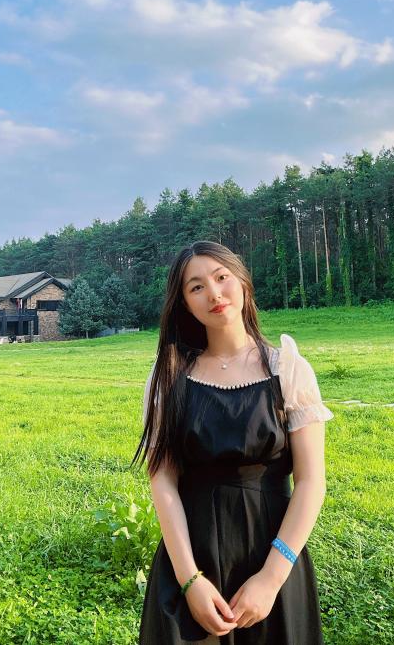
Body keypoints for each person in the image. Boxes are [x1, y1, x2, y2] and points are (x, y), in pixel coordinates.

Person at [133, 240, 333, 643]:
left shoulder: (287, 369)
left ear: (242, 281)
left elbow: (311, 482)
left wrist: (271, 578)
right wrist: (190, 580)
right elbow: (163, 480)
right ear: (185, 303)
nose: (214, 293)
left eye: (221, 277)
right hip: (191, 557)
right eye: (196, 287)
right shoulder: (168, 377)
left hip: (271, 556)